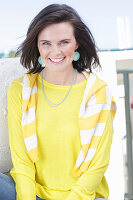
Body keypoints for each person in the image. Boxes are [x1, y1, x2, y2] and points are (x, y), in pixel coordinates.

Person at [0, 3, 116, 200]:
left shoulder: (98, 92)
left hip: (83, 196)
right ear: (37, 45)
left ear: (77, 43)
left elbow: (97, 166)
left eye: (64, 42)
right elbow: (22, 162)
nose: (55, 52)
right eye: (46, 43)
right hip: (33, 193)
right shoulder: (20, 90)